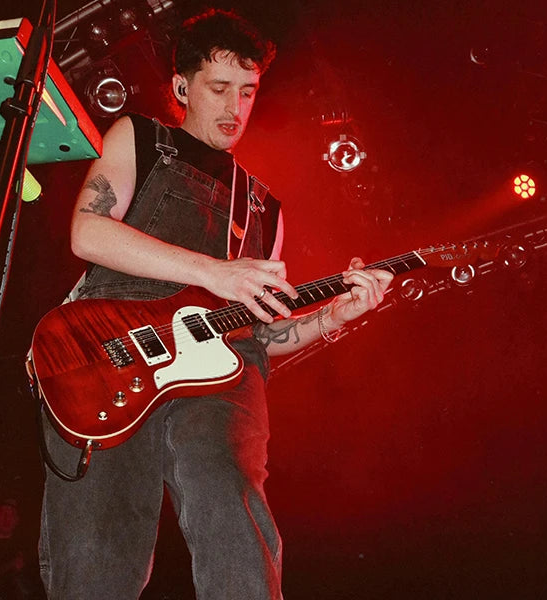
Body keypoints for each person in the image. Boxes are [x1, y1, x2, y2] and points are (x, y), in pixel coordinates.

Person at [37, 8, 393, 600]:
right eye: (220, 87)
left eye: (248, 91)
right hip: (108, 349)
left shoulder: (263, 208)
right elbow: (88, 232)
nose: (235, 107)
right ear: (182, 87)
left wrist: (331, 317)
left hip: (221, 372)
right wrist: (213, 271)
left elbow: (259, 334)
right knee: (99, 551)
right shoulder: (140, 137)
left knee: (231, 503)